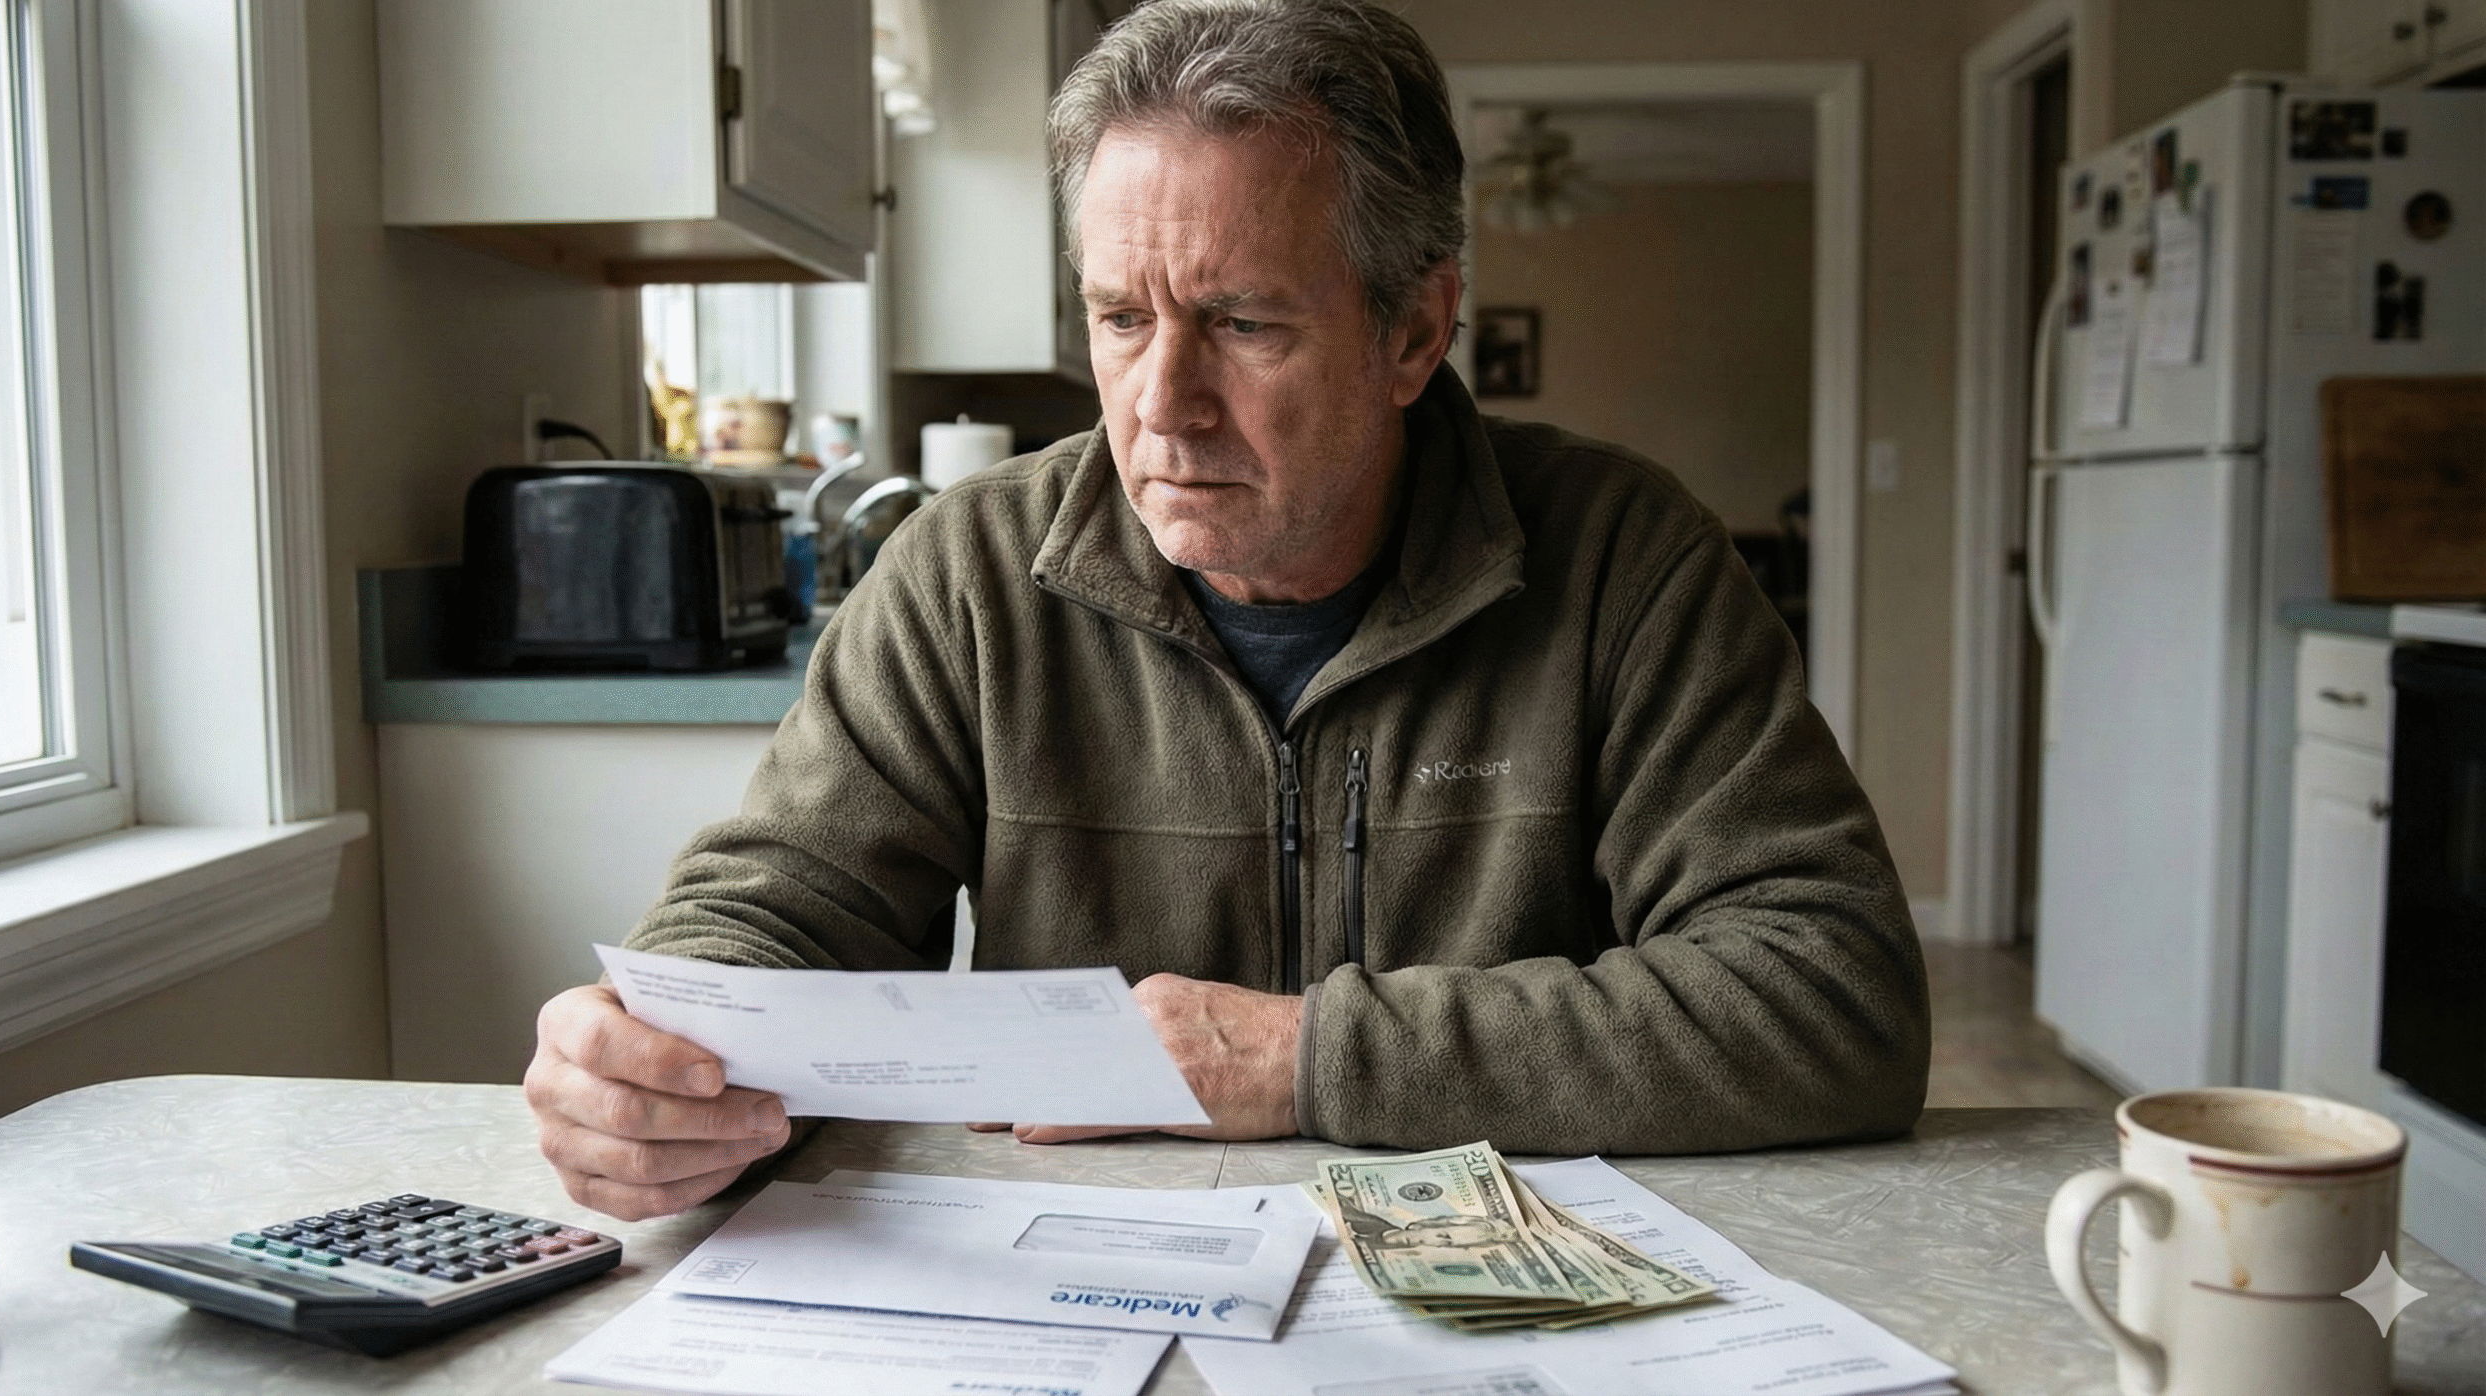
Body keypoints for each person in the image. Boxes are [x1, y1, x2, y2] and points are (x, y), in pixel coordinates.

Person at [525, 0, 1929, 1223]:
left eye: (1245, 325)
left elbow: (1830, 993)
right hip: (1078, 1289)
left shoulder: (1626, 560)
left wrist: (1294, 1056)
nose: (1160, 406)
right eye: (1122, 318)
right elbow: (780, 912)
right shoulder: (966, 573)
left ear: (1414, 331)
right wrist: (654, 1053)